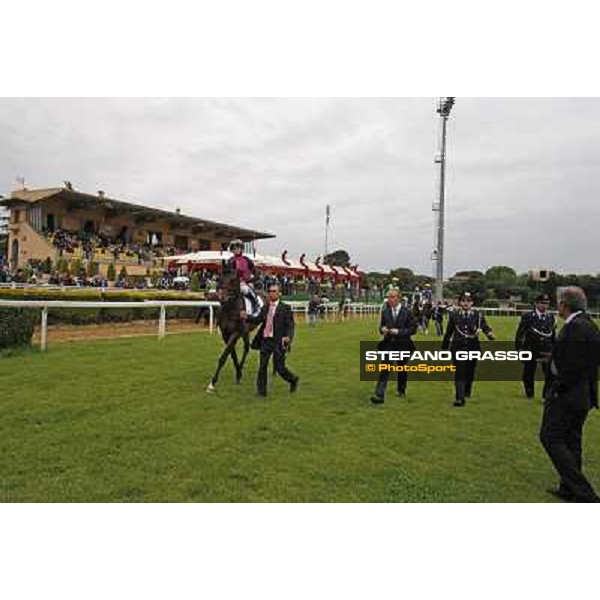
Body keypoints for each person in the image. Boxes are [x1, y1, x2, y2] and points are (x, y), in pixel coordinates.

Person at [540, 286, 600, 503]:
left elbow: (572, 367)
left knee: (550, 437)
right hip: (583, 396)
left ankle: (584, 494)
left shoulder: (574, 327)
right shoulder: (590, 325)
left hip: (568, 396)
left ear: (564, 305)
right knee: (572, 441)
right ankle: (568, 489)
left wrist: (556, 388)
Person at [441, 291, 495, 407]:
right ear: (460, 302)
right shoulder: (455, 316)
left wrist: (489, 334)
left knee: (469, 372)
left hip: (472, 348)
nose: (466, 303)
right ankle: (459, 398)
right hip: (458, 348)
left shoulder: (478, 315)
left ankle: (467, 390)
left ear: (472, 303)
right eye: (463, 301)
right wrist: (444, 348)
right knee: (460, 372)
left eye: (468, 301)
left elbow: (484, 327)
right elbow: (448, 333)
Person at [251, 282, 299, 397]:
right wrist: (246, 317)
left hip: (279, 342)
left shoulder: (285, 308)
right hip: (265, 341)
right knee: (262, 366)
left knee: (279, 368)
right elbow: (257, 320)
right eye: (270, 291)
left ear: (279, 293)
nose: (271, 294)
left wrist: (288, 337)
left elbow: (290, 325)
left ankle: (293, 379)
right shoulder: (265, 308)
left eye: (274, 291)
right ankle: (261, 392)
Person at [370, 288, 418, 404]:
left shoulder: (407, 312)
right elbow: (381, 327)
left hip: (403, 344)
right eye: (389, 297)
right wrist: (383, 330)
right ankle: (379, 394)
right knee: (385, 368)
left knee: (402, 368)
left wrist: (399, 332)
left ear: (398, 298)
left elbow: (413, 329)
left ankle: (401, 389)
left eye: (392, 297)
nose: (390, 299)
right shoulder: (385, 312)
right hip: (389, 344)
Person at [514, 293, 556, 399]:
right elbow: (520, 333)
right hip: (531, 348)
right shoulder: (528, 316)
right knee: (528, 373)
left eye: (547, 303)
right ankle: (530, 393)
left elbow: (552, 335)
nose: (545, 306)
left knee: (549, 374)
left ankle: (546, 395)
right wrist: (519, 348)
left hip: (546, 350)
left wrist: (554, 349)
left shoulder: (550, 317)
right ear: (536, 303)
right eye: (542, 303)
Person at [226, 239, 263, 319]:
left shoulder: (247, 260)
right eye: (234, 249)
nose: (236, 250)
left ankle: (257, 306)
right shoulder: (230, 261)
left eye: (238, 248)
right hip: (233, 284)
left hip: (246, 283)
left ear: (242, 249)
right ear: (232, 250)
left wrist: (250, 280)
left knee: (246, 289)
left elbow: (255, 273)